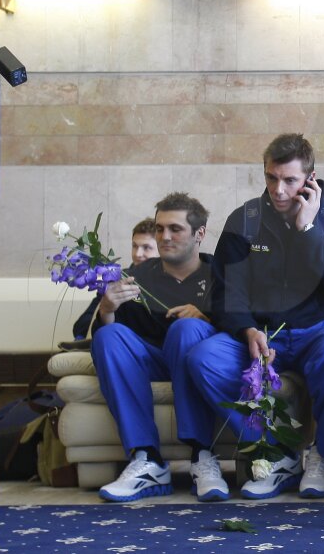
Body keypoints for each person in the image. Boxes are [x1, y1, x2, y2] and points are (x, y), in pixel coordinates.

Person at [185, 133, 324, 500]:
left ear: (311, 178)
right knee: (202, 358)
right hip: (262, 334)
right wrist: (246, 328)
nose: (279, 190)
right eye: (271, 178)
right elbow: (225, 291)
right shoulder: (245, 219)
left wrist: (309, 230)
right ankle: (277, 454)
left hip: (322, 329)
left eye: (290, 180)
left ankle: (321, 455)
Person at [92, 193, 223, 502]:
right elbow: (109, 343)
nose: (164, 237)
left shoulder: (222, 274)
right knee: (108, 336)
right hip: (152, 359)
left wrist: (207, 317)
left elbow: (247, 326)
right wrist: (107, 308)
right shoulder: (135, 276)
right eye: (160, 229)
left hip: (197, 359)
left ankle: (202, 455)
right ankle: (147, 459)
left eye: (175, 229)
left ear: (199, 234)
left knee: (187, 328)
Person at [71, 219, 160, 341]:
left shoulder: (171, 282)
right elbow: (82, 324)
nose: (138, 254)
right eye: (135, 246)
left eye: (146, 247)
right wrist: (105, 311)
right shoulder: (116, 279)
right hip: (118, 343)